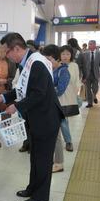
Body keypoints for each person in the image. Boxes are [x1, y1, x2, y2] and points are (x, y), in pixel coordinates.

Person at [0, 33, 64, 201]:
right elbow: (22, 90)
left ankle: (41, 197)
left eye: (7, 52)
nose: (6, 56)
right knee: (35, 157)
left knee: (42, 159)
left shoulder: (37, 64)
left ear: (16, 49)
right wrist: (4, 98)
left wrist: (16, 107)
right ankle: (32, 188)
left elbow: (38, 94)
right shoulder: (26, 63)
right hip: (36, 118)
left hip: (46, 119)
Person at [42, 44, 70, 173]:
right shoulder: (51, 70)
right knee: (52, 134)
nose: (47, 62)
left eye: (49, 59)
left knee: (57, 135)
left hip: (58, 106)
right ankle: (55, 160)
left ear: (57, 59)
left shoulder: (64, 71)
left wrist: (46, 90)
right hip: (50, 105)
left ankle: (59, 163)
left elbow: (59, 90)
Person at [58, 45, 81, 152]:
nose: (65, 56)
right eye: (63, 54)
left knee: (63, 120)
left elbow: (77, 81)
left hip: (68, 97)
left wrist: (76, 93)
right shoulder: (56, 65)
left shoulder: (74, 66)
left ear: (71, 55)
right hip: (56, 96)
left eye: (67, 54)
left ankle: (68, 141)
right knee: (59, 120)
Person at [83, 40, 100, 108]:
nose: (89, 45)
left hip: (96, 74)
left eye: (91, 44)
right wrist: (82, 76)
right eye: (89, 44)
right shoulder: (85, 53)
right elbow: (83, 65)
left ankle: (94, 96)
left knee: (95, 88)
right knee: (87, 89)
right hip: (87, 74)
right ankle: (90, 103)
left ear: (95, 45)